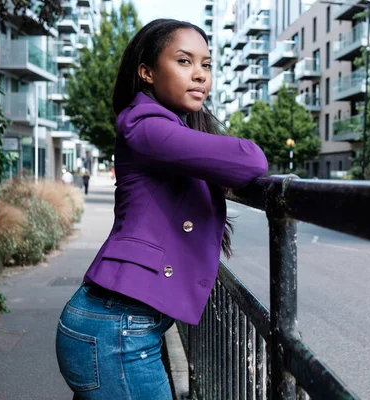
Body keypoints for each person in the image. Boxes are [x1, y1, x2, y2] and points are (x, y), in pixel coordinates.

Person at [55, 19, 268, 400]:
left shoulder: (170, 128)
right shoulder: (145, 124)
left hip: (118, 327)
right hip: (117, 333)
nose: (200, 75)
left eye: (207, 65)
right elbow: (250, 161)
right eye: (184, 61)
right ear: (147, 72)